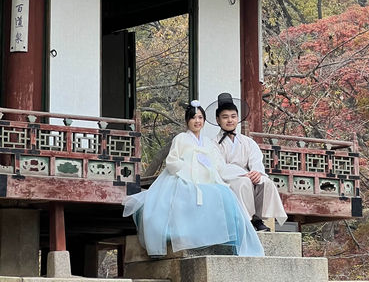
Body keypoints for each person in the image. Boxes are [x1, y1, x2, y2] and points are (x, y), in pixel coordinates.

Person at [123, 100, 264, 257]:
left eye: (200, 118)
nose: (197, 121)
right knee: (186, 194)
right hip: (183, 177)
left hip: (206, 179)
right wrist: (187, 167)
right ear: (187, 121)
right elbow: (171, 161)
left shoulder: (208, 143)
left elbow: (219, 165)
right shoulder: (181, 138)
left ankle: (220, 234)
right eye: (193, 118)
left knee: (224, 194)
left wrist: (237, 174)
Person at [212, 93, 287, 232]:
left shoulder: (248, 142)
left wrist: (256, 173)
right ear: (218, 120)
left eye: (233, 116)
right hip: (228, 180)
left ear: (238, 118)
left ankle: (258, 218)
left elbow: (256, 160)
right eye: (225, 117)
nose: (230, 120)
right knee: (244, 183)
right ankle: (247, 220)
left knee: (265, 182)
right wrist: (243, 175)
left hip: (247, 176)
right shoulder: (213, 144)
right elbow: (220, 167)